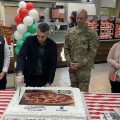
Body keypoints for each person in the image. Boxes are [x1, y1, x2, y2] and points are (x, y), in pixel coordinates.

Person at [64, 9, 99, 92]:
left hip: (84, 69)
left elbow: (92, 52)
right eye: (77, 18)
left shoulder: (92, 33)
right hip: (72, 67)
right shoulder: (70, 31)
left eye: (81, 18)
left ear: (86, 18)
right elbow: (66, 48)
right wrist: (70, 62)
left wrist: (80, 64)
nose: (78, 20)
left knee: (83, 93)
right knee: (74, 91)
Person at [16, 22, 57, 87]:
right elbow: (21, 56)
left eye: (43, 36)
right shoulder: (30, 40)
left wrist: (49, 81)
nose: (40, 39)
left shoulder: (52, 45)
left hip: (44, 77)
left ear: (47, 34)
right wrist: (20, 72)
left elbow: (53, 64)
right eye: (38, 35)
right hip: (30, 76)